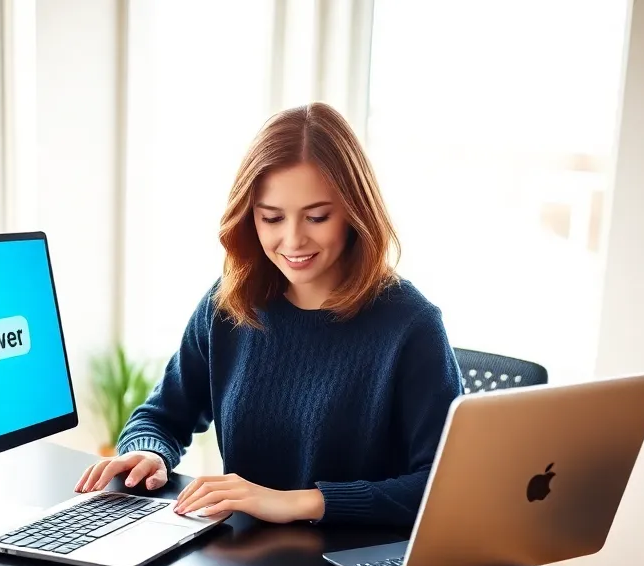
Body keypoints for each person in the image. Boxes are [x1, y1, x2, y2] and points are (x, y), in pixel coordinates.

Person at [74, 102, 462, 528]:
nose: (293, 240)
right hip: (244, 558)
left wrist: (299, 502)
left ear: (354, 212)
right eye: (271, 218)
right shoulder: (229, 305)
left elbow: (445, 487)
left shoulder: (410, 324)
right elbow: (161, 416)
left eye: (317, 216)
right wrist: (149, 452)